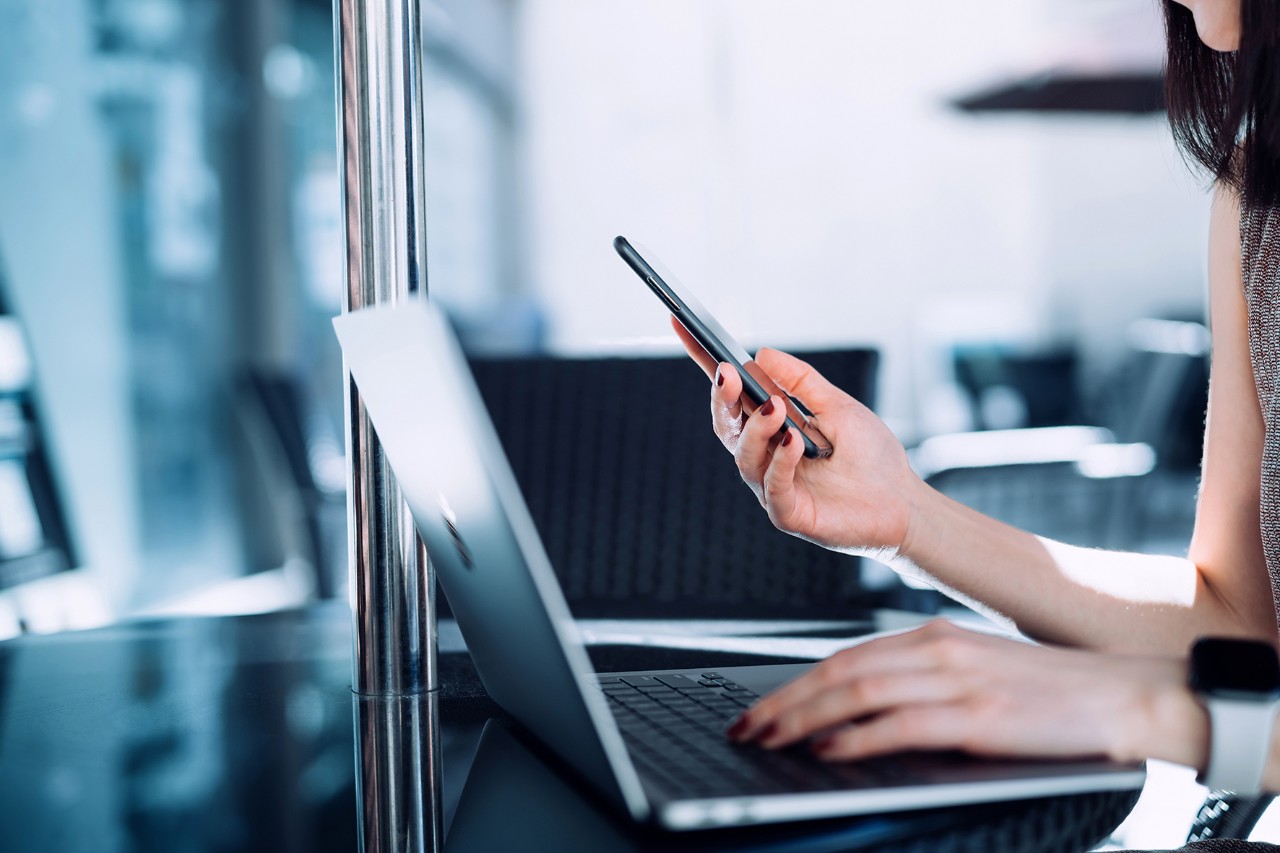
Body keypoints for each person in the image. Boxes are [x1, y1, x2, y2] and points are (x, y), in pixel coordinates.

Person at [675, 0, 1280, 795]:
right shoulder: (1254, 200)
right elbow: (1239, 626)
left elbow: (1218, 686)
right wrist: (909, 518)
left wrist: (1158, 708)